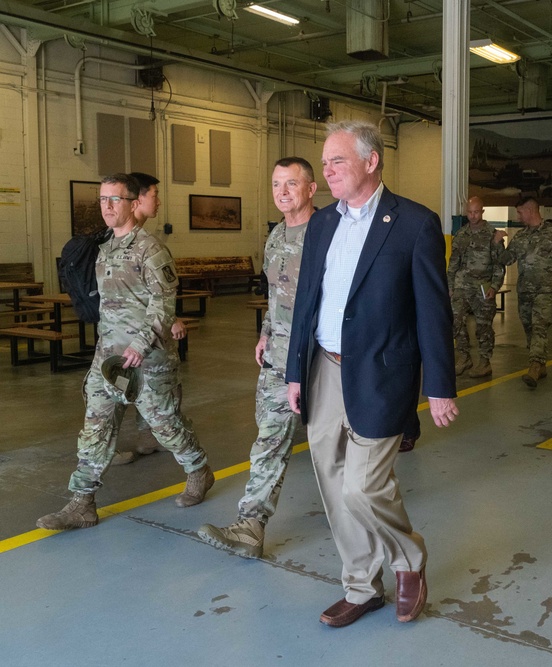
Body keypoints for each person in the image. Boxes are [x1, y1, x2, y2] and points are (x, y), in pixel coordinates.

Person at [285, 121, 458, 628]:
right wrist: (296, 371)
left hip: (383, 372)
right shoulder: (321, 225)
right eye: (325, 162)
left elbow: (433, 312)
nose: (327, 170)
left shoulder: (414, 224)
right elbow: (306, 304)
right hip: (323, 369)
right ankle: (361, 587)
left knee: (362, 487)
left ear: (371, 161)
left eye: (337, 161)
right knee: (333, 486)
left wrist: (440, 387)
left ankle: (409, 560)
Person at [37, 173, 214, 531]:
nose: (106, 206)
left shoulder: (151, 249)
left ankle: (198, 470)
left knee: (165, 425)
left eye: (114, 199)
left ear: (133, 205)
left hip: (147, 359)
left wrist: (140, 343)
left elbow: (163, 305)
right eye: (102, 199)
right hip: (108, 359)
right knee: (95, 429)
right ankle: (82, 503)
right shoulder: (104, 250)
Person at [197, 157, 317, 558]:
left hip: (322, 357)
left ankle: (365, 527)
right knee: (269, 437)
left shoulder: (327, 234)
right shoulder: (277, 236)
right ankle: (251, 525)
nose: (282, 192)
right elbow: (275, 294)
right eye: (276, 184)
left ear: (312, 189)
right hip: (279, 355)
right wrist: (266, 332)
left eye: (292, 184)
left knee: (342, 447)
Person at [111, 172, 187, 465]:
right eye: (155, 194)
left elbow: (146, 289)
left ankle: (149, 437)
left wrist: (171, 316)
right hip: (125, 332)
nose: (158, 201)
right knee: (118, 389)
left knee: (150, 383)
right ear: (138, 199)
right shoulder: (120, 236)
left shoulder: (142, 239)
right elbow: (124, 293)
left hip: (143, 327)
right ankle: (109, 450)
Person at [495, 197, 552, 387]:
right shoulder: (521, 236)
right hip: (525, 291)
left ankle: (533, 366)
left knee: (539, 326)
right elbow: (507, 259)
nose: (518, 216)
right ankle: (541, 364)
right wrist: (498, 243)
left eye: (520, 212)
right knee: (529, 328)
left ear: (530, 210)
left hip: (545, 291)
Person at [449, 196, 505, 378]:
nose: (473, 216)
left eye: (476, 212)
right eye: (469, 212)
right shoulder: (461, 235)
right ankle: (464, 357)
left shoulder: (491, 234)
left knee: (483, 326)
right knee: (455, 320)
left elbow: (499, 265)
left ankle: (484, 362)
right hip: (461, 286)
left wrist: (495, 287)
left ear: (482, 212)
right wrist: (449, 286)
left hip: (483, 287)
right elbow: (453, 263)